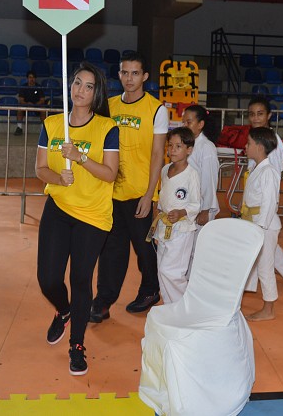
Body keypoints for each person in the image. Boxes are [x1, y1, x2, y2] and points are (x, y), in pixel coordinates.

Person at [35, 62, 119, 376]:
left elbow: (110, 173)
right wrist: (59, 178)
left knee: (81, 280)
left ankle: (77, 345)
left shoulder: (107, 128)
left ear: (97, 94)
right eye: (77, 83)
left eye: (88, 86)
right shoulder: (52, 124)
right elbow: (40, 169)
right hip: (59, 208)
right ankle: (64, 310)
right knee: (48, 280)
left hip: (92, 215)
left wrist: (80, 158)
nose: (80, 90)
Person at [90, 52, 168, 322]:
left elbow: (158, 155)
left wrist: (150, 194)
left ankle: (150, 290)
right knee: (111, 249)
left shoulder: (157, 109)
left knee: (144, 248)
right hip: (111, 191)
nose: (129, 78)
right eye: (125, 72)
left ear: (145, 76)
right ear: (119, 74)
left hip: (139, 193)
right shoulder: (109, 106)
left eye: (135, 73)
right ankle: (103, 301)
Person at [151, 127, 200, 304]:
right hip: (164, 226)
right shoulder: (165, 170)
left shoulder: (192, 175)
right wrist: (157, 211)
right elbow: (162, 195)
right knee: (161, 269)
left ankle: (184, 305)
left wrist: (181, 212)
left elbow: (196, 204)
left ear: (189, 150)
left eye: (178, 146)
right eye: (170, 145)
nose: (172, 150)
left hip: (182, 229)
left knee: (171, 272)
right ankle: (170, 306)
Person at [241, 127, 281, 321]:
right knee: (249, 263)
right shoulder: (257, 168)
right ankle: (239, 298)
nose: (245, 146)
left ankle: (269, 309)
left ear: (259, 146)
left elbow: (270, 202)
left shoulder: (269, 171)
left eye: (248, 143)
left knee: (265, 267)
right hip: (253, 222)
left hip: (265, 226)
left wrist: (259, 229)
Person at [182, 105, 220, 227]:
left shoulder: (206, 147)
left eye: (189, 122)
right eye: (183, 122)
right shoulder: (185, 145)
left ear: (200, 124)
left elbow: (209, 181)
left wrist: (205, 210)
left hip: (201, 207)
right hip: (186, 202)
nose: (184, 126)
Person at [15, 70, 49, 136]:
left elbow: (42, 100)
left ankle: (43, 130)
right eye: (30, 77)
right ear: (27, 78)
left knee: (43, 111)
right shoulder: (23, 87)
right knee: (19, 110)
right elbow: (21, 100)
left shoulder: (39, 87)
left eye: (33, 77)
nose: (31, 79)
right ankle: (19, 128)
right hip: (26, 105)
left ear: (35, 79)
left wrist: (35, 105)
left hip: (37, 106)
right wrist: (27, 104)